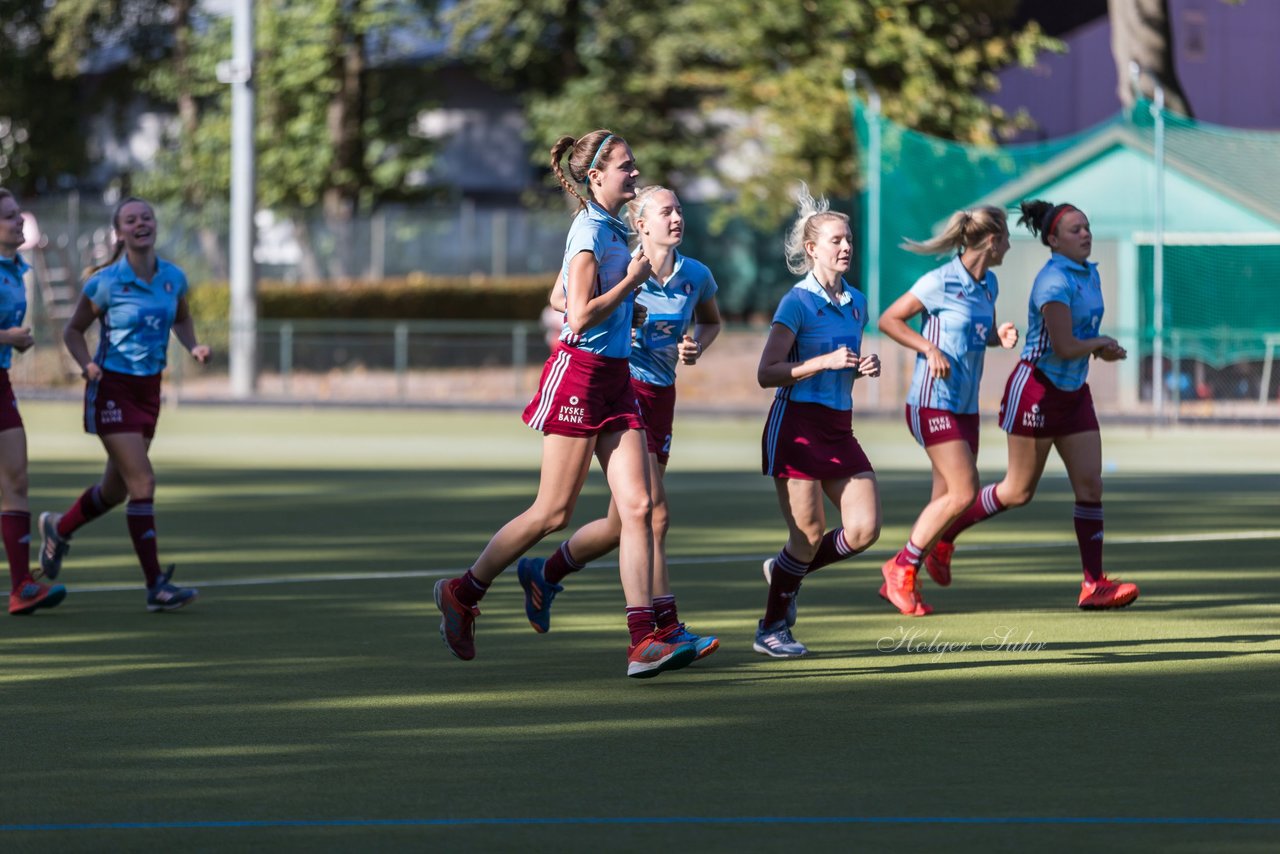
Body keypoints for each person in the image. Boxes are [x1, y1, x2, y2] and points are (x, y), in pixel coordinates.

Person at [433, 131, 699, 678]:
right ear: (596, 177)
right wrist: (630, 283)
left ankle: (643, 640)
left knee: (640, 510)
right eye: (626, 166)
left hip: (616, 377)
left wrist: (632, 311)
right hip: (579, 378)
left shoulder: (609, 230)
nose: (635, 172)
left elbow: (571, 297)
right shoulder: (588, 231)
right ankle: (463, 591)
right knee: (552, 513)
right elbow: (573, 315)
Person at [515, 185, 723, 659]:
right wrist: (620, 303)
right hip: (624, 388)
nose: (676, 217)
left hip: (662, 396)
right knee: (655, 515)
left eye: (679, 209)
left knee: (621, 524)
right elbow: (561, 298)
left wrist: (697, 344)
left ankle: (544, 574)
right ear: (641, 223)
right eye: (665, 211)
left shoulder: (696, 275)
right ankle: (664, 628)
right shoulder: (620, 261)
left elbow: (710, 322)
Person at [926, 199, 1139, 609]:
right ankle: (944, 537)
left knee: (1091, 486)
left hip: (1073, 393)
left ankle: (1094, 585)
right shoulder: (1052, 281)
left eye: (1088, 227)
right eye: (1075, 229)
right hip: (1035, 392)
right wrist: (1097, 344)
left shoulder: (1089, 274)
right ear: (1053, 240)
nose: (1086, 234)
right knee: (1017, 491)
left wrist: (1098, 351)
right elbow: (1063, 345)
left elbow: (1076, 344)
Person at [37, 197, 211, 611]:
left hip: (149, 391)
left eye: (146, 217)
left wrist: (193, 345)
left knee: (115, 490)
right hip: (112, 387)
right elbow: (73, 331)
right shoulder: (105, 282)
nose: (140, 224)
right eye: (131, 220)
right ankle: (156, 587)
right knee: (143, 483)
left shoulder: (173, 278)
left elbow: (181, 318)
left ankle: (58, 528)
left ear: (155, 225)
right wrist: (85, 366)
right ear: (120, 232)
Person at [753, 186, 881, 658]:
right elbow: (767, 373)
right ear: (812, 250)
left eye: (848, 240)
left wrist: (860, 366)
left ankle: (786, 571)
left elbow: (842, 360)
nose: (846, 247)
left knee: (865, 529)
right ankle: (770, 629)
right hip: (796, 424)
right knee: (806, 536)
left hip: (838, 425)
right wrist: (823, 362)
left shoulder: (857, 302)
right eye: (836, 241)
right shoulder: (796, 303)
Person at [875, 206, 1019, 615]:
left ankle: (923, 559)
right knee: (963, 491)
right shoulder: (938, 282)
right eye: (1006, 237)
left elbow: (976, 332)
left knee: (947, 498)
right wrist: (928, 348)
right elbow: (889, 320)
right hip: (930, 401)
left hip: (964, 408)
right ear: (992, 241)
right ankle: (900, 567)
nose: (1009, 244)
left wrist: (997, 335)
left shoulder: (989, 284)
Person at [0, 189, 65, 615]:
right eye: (9, 218)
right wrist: (9, 337)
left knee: (17, 480)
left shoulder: (17, 268)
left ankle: (22, 586)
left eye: (17, 215)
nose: (19, 221)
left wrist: (13, 342)